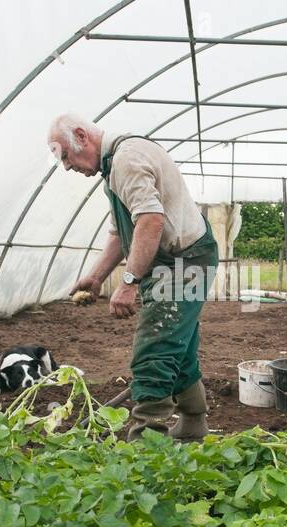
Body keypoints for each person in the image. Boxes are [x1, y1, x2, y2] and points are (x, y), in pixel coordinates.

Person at [46, 113, 218, 441]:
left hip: (184, 262)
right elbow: (120, 231)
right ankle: (193, 423)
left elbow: (151, 221)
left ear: (81, 136)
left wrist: (128, 283)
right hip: (173, 261)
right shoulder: (113, 166)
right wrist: (97, 277)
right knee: (178, 345)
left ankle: (146, 440)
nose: (67, 166)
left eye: (66, 156)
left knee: (155, 347)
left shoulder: (127, 159)